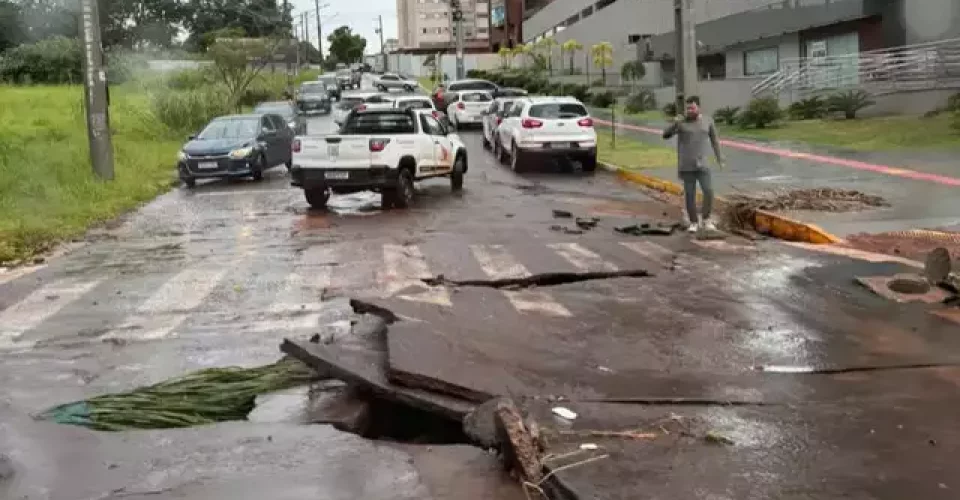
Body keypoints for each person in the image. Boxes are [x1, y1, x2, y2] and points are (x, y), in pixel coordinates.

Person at [662, 96, 724, 232]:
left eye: (692, 107)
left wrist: (720, 158)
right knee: (690, 194)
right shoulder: (681, 122)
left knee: (708, 191)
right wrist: (674, 123)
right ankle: (694, 222)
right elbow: (665, 135)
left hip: (703, 164)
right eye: (687, 108)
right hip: (686, 165)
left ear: (699, 108)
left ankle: (706, 219)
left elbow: (715, 141)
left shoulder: (708, 121)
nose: (689, 110)